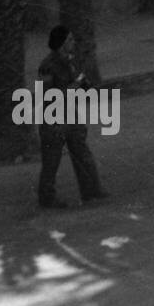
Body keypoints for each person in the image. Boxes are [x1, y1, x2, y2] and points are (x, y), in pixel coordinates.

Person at [37, 25, 106, 209]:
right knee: (51, 162)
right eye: (69, 40)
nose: (72, 43)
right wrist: (74, 87)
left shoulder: (71, 61)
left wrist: (84, 86)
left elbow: (79, 83)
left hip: (71, 115)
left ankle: (91, 190)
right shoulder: (47, 66)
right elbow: (47, 95)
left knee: (82, 154)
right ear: (60, 43)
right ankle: (47, 198)